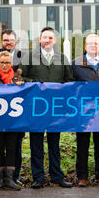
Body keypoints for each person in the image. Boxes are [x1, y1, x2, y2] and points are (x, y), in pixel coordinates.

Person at [19, 26, 73, 189]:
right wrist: (36, 85)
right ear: (40, 40)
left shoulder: (62, 58)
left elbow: (69, 80)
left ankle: (57, 176)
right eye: (44, 38)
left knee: (54, 144)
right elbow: (21, 79)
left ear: (55, 40)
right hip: (36, 107)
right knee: (36, 144)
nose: (47, 40)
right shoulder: (29, 57)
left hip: (55, 108)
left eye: (50, 38)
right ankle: (38, 177)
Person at [72, 34, 99, 187]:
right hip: (83, 112)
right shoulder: (76, 64)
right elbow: (71, 88)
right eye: (90, 44)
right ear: (85, 46)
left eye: (96, 44)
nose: (93, 46)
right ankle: (82, 176)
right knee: (82, 145)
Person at [0, 29, 24, 184]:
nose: (5, 65)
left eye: (8, 62)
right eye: (2, 62)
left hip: (14, 120)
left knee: (14, 148)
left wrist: (23, 85)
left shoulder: (18, 76)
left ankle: (12, 177)